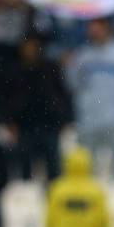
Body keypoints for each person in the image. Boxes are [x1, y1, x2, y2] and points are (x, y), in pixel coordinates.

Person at [67, 18, 114, 179]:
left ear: (107, 28)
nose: (94, 31)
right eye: (91, 28)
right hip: (88, 118)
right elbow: (72, 83)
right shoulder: (82, 55)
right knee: (87, 163)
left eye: (97, 27)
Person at [12, 31, 73, 182]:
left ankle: (54, 196)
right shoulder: (15, 70)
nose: (31, 49)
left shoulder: (50, 67)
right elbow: (8, 97)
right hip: (25, 125)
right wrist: (10, 121)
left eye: (34, 45)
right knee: (25, 169)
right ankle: (27, 198)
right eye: (28, 45)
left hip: (49, 124)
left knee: (53, 168)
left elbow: (63, 93)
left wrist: (65, 118)